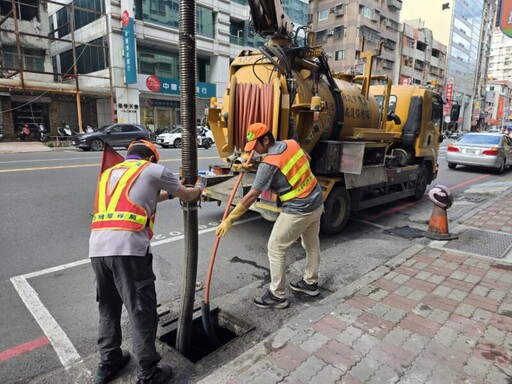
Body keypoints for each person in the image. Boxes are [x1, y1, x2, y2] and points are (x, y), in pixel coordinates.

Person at [89, 139, 204, 384]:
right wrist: (200, 186)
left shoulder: (110, 173)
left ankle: (109, 361)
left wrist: (170, 194)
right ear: (151, 159)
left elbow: (143, 197)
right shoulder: (153, 170)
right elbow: (189, 194)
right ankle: (148, 374)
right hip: (128, 251)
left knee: (108, 308)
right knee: (142, 312)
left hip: (97, 249)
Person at [216, 122, 324, 309]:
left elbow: (251, 196)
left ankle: (277, 295)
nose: (254, 151)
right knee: (311, 244)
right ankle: (310, 283)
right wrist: (255, 168)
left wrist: (230, 219)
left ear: (266, 139)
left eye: (256, 146)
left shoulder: (269, 164)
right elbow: (306, 158)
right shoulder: (291, 143)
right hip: (316, 201)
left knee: (275, 247)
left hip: (298, 209)